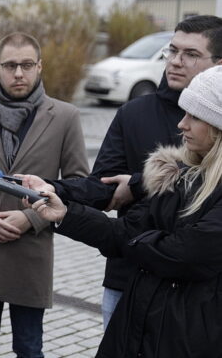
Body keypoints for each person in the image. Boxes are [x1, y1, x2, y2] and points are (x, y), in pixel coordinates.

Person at [25, 65, 222, 358]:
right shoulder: (179, 175)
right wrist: (64, 213)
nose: (181, 124)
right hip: (137, 324)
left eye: (194, 116)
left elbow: (185, 254)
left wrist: (139, 241)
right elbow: (124, 231)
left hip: (191, 338)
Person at [0, 32, 89, 358]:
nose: (19, 73)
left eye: (26, 65)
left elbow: (79, 184)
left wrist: (29, 218)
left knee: (28, 347)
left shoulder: (65, 117)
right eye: (11, 65)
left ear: (40, 67)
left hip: (30, 252)